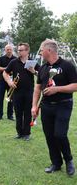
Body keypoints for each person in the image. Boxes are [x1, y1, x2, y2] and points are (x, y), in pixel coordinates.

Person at [32, 39, 77, 175]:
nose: (40, 53)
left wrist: (57, 89)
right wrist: (34, 106)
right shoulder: (43, 68)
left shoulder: (67, 65)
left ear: (49, 50)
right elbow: (38, 88)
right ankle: (56, 163)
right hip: (46, 106)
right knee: (50, 136)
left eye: (41, 50)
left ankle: (68, 160)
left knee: (60, 134)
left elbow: (75, 86)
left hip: (63, 105)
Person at [3, 43, 39, 141]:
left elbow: (41, 74)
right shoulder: (14, 62)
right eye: (18, 50)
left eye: (21, 50)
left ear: (27, 51)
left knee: (27, 113)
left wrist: (34, 72)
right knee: (18, 113)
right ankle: (19, 133)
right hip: (17, 92)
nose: (19, 52)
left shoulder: (33, 62)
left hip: (29, 92)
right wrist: (9, 82)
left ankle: (27, 134)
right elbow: (5, 73)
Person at [0, 44, 16, 120]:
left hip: (11, 81)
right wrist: (6, 69)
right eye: (7, 49)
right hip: (2, 81)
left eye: (10, 49)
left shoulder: (15, 59)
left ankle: (10, 115)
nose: (9, 51)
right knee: (0, 98)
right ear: (5, 50)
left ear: (12, 50)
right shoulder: (1, 58)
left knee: (11, 98)